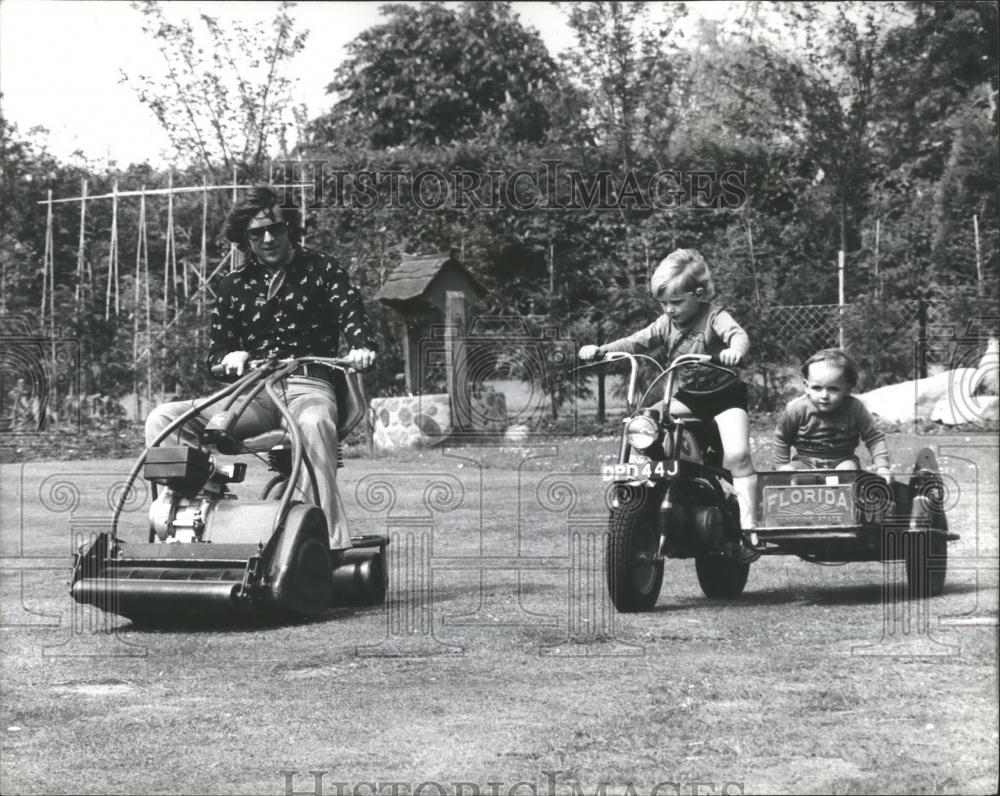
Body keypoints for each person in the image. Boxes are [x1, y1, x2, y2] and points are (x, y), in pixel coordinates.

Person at [144, 185, 377, 553]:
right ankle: (182, 525)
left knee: (314, 424)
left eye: (276, 229)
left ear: (290, 228)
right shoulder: (232, 286)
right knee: (163, 419)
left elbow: (352, 315)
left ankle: (328, 545)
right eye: (256, 232)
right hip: (252, 393)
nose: (268, 238)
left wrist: (362, 346)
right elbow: (216, 356)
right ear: (244, 238)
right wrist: (230, 357)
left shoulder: (322, 268)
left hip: (307, 385)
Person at [579, 248, 759, 540]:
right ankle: (639, 479)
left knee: (738, 455)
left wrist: (734, 351)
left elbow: (737, 334)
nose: (668, 309)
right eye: (663, 303)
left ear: (699, 294)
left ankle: (750, 524)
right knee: (643, 421)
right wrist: (603, 350)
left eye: (676, 302)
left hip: (725, 398)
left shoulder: (715, 316)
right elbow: (637, 341)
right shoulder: (666, 324)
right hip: (689, 397)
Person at [774, 348, 891, 475]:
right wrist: (782, 468)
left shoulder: (854, 408)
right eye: (817, 388)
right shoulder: (796, 408)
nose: (824, 395)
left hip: (842, 460)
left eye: (833, 389)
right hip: (805, 462)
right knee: (792, 473)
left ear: (847, 389)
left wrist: (882, 467)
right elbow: (782, 438)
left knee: (847, 473)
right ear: (806, 386)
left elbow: (873, 437)